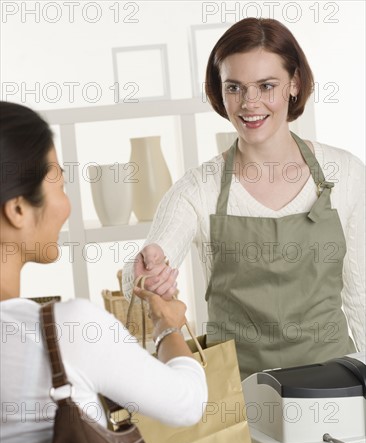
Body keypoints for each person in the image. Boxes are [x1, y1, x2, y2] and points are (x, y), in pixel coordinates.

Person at [0, 101, 208, 443]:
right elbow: (187, 404)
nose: (67, 205)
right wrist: (167, 325)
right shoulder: (64, 330)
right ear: (18, 209)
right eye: (57, 181)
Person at [123, 18, 365, 379]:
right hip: (238, 399)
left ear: (294, 84)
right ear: (219, 92)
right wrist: (144, 274)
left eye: (267, 86)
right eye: (235, 87)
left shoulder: (344, 172)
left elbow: (360, 297)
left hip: (333, 390)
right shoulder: (198, 188)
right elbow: (142, 272)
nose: (250, 103)